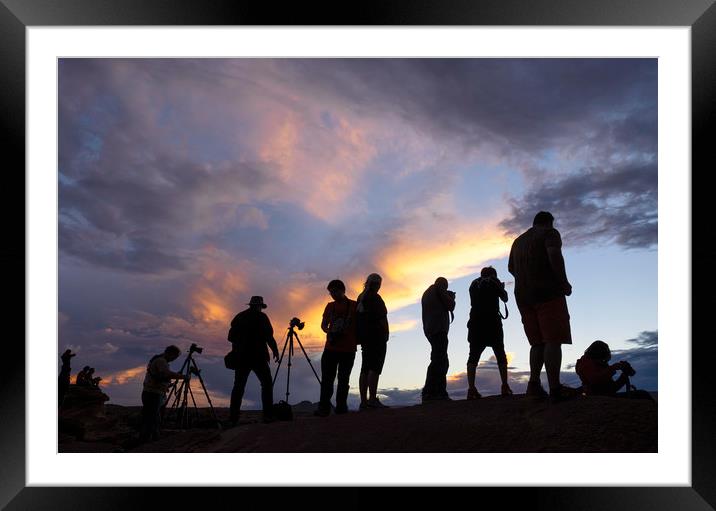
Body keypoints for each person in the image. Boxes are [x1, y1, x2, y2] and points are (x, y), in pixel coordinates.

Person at [508, 211, 576, 402]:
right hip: (548, 293)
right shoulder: (549, 233)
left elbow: (511, 268)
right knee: (553, 339)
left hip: (523, 297)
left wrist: (526, 277)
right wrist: (563, 282)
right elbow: (554, 254)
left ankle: (534, 385)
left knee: (537, 342)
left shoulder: (518, 241)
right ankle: (555, 389)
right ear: (549, 222)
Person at [227, 296, 280, 425]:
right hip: (258, 357)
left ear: (250, 305)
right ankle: (267, 416)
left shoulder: (239, 317)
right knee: (267, 384)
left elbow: (230, 337)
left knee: (238, 387)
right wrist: (275, 350)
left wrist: (240, 345)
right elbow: (269, 336)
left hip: (241, 357)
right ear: (260, 306)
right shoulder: (262, 317)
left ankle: (233, 418)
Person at [466, 267, 513, 399]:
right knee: (500, 353)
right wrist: (501, 288)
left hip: (475, 323)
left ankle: (471, 389)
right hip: (492, 323)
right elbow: (505, 298)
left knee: (473, 356)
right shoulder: (494, 281)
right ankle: (504, 386)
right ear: (493, 274)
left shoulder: (473, 284)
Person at [314, 279, 359, 417]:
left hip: (348, 349)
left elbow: (360, 324)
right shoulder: (329, 306)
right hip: (331, 349)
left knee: (343, 379)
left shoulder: (354, 305)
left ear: (342, 290)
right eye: (330, 292)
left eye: (334, 291)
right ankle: (324, 408)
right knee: (327, 379)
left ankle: (341, 407)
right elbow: (323, 325)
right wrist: (329, 331)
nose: (332, 294)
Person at [355, 273, 390, 409]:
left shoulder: (361, 298)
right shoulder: (375, 298)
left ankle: (364, 402)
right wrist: (386, 333)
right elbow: (382, 318)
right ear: (376, 284)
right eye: (379, 284)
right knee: (374, 368)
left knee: (365, 368)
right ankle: (372, 400)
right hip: (377, 337)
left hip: (365, 338)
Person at [139, 345, 186, 443]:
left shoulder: (158, 360)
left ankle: (148, 438)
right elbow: (167, 374)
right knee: (152, 419)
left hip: (152, 393)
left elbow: (161, 377)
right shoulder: (161, 361)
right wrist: (183, 377)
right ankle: (148, 441)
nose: (173, 360)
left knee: (152, 418)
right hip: (153, 394)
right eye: (174, 357)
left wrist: (168, 384)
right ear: (170, 353)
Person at [420, 277, 456, 402]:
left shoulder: (427, 292)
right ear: (443, 284)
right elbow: (451, 305)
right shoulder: (439, 287)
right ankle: (434, 392)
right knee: (440, 361)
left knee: (438, 359)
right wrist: (450, 297)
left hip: (430, 330)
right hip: (438, 330)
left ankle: (433, 392)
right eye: (445, 286)